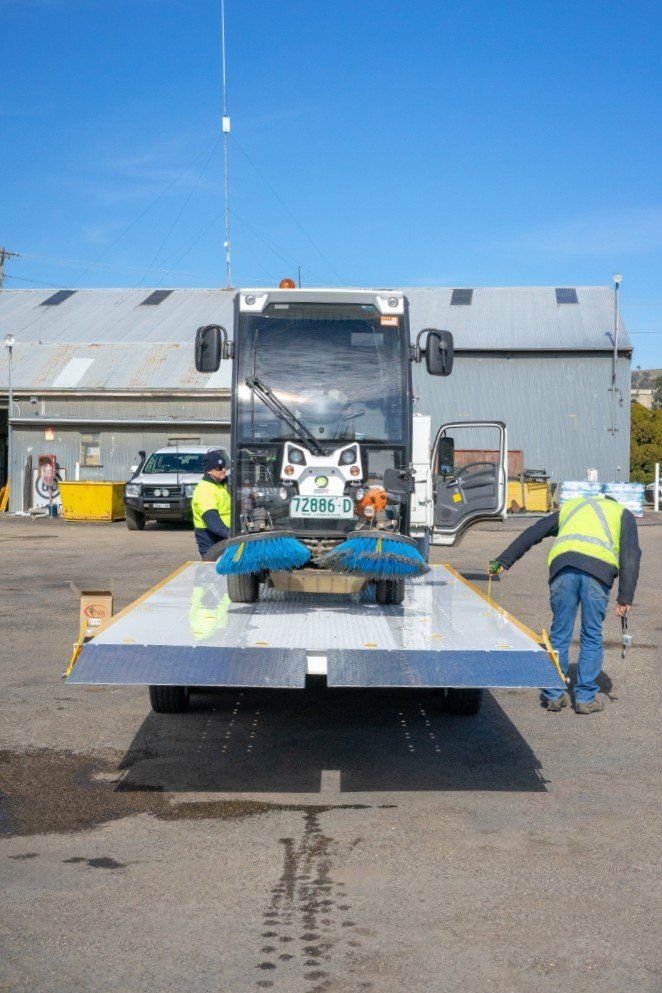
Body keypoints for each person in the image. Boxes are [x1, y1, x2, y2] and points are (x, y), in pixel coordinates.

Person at [488, 491, 641, 714]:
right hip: (597, 575)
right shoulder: (621, 513)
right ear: (611, 502)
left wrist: (503, 562)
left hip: (563, 571)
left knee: (559, 633)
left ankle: (553, 694)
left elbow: (533, 532)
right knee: (591, 634)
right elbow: (631, 555)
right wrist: (625, 597)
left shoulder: (572, 508)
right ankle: (585, 698)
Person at [191, 450, 231, 558]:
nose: (223, 470)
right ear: (209, 471)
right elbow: (214, 524)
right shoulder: (205, 491)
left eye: (224, 466)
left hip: (225, 539)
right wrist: (235, 535)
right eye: (219, 468)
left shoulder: (221, 484)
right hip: (212, 542)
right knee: (213, 573)